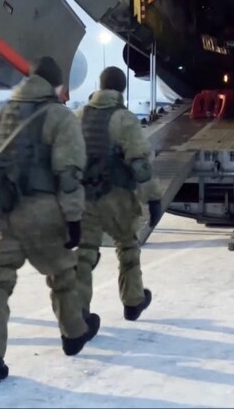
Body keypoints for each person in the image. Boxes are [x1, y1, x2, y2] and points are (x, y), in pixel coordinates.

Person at [0, 56, 99, 383]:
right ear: (56, 85)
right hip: (43, 213)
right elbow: (68, 173)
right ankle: (73, 335)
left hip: (4, 211)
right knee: (63, 275)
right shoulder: (59, 117)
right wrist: (73, 217)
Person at [76, 67, 161, 320]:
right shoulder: (124, 118)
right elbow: (139, 164)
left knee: (84, 253)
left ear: (100, 87)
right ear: (121, 89)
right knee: (127, 246)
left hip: (85, 197)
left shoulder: (79, 116)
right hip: (117, 197)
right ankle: (133, 301)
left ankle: (78, 314)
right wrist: (153, 198)